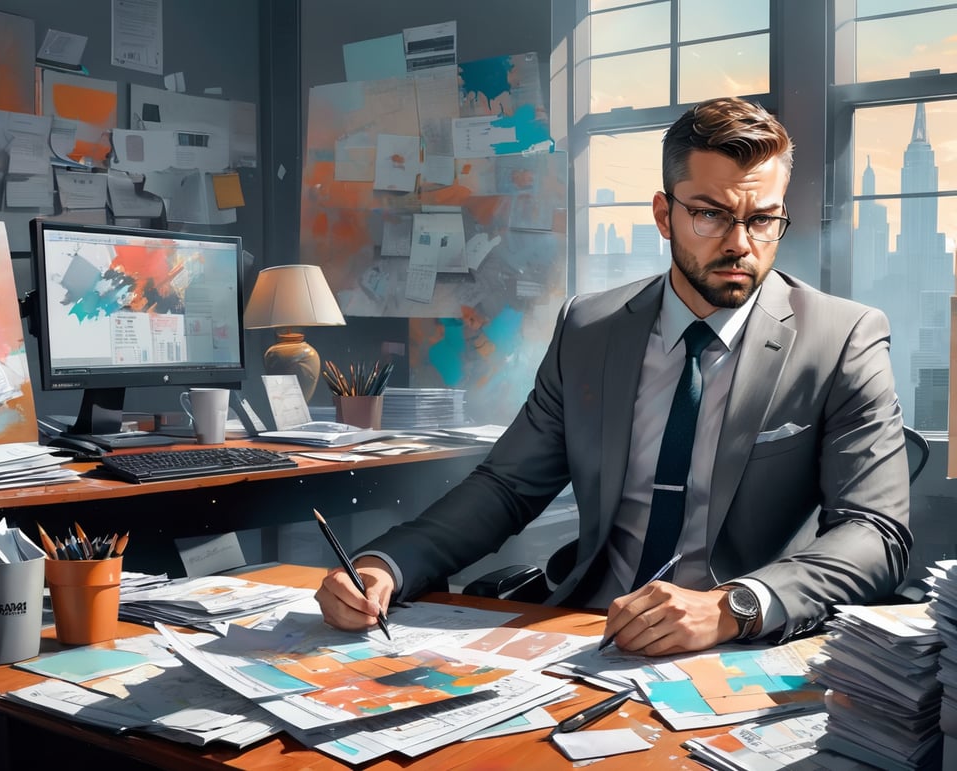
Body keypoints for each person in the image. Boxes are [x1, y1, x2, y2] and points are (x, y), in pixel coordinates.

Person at [316, 96, 912, 656]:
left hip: (739, 641)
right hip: (585, 628)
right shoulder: (588, 328)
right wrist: (385, 564)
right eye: (710, 215)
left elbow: (875, 533)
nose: (740, 245)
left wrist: (733, 607)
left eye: (763, 220)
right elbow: (506, 488)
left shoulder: (843, 339)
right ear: (663, 213)